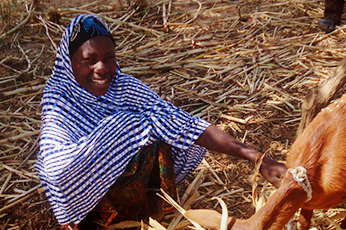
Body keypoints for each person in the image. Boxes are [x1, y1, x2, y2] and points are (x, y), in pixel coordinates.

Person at [36, 14, 288, 229]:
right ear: (69, 63)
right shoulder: (59, 99)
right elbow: (55, 171)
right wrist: (119, 132)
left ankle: (154, 209)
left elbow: (184, 124)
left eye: (109, 57)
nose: (102, 68)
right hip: (91, 208)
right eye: (89, 59)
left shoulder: (123, 87)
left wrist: (258, 158)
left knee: (160, 125)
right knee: (139, 124)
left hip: (130, 197)